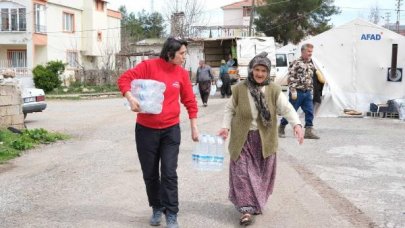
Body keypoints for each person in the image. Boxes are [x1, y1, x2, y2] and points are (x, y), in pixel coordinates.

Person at [117, 37, 199, 228]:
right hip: (146, 131)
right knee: (150, 173)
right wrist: (130, 98)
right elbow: (124, 79)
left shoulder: (181, 74)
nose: (184, 57)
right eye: (181, 54)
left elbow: (189, 101)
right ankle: (156, 207)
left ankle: (171, 213)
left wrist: (194, 126)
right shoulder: (149, 66)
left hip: (171, 130)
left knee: (169, 173)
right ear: (170, 53)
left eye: (184, 53)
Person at [218, 52, 304, 226]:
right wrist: (225, 127)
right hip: (242, 139)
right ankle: (246, 209)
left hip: (264, 140)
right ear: (251, 70)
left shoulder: (273, 90)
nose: (259, 74)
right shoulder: (239, 89)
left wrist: (297, 125)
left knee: (260, 176)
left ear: (268, 72)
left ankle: (255, 202)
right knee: (242, 174)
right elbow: (229, 109)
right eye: (257, 69)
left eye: (263, 70)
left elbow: (286, 108)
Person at [278, 43, 320, 139]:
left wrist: (311, 91)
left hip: (307, 92)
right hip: (297, 92)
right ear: (303, 52)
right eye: (309, 51)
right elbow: (291, 78)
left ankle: (308, 131)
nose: (310, 53)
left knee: (309, 112)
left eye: (311, 51)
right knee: (291, 111)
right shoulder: (296, 63)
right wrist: (293, 91)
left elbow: (310, 78)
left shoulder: (310, 63)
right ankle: (281, 127)